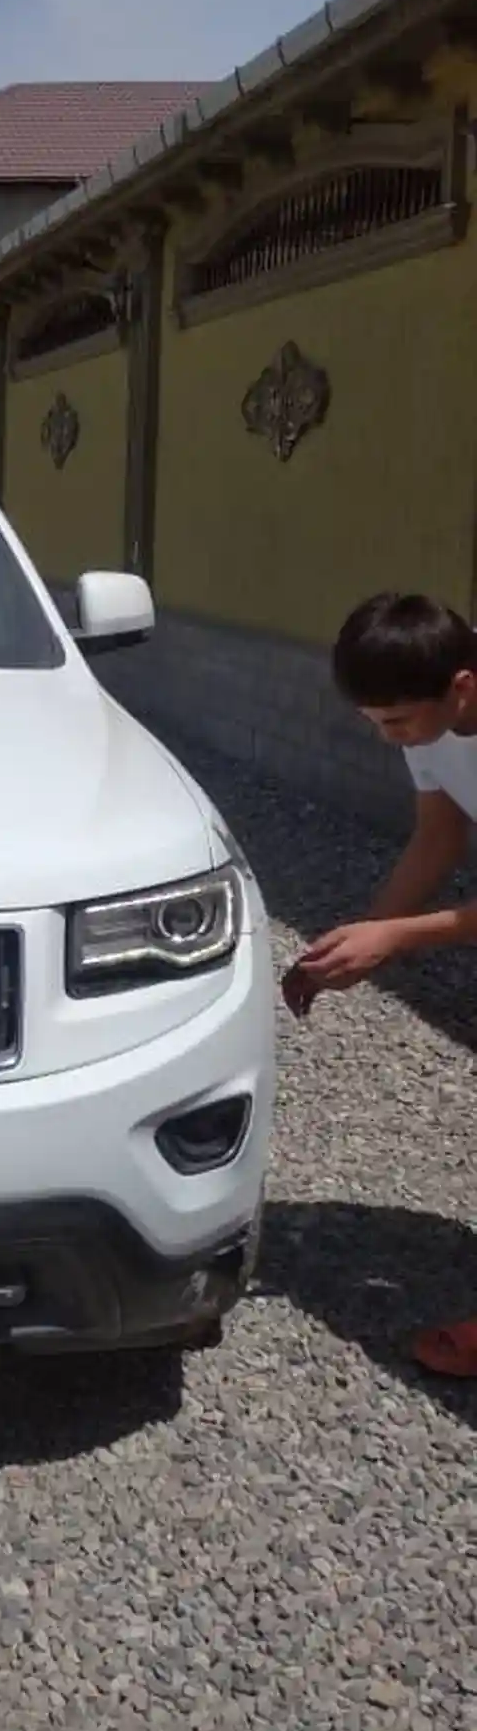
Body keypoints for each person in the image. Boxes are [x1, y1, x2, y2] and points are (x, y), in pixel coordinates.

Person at [292, 590, 477, 1378]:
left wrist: (396, 936)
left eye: (398, 722)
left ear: (461, 687)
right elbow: (437, 837)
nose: (390, 737)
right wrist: (362, 943)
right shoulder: (432, 715)